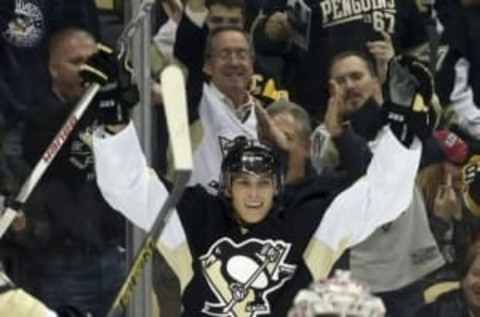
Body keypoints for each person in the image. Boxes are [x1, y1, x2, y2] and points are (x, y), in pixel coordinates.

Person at [82, 43, 430, 315]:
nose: (253, 194)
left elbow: (384, 199)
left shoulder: (310, 218)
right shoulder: (196, 218)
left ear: (277, 186)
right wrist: (115, 125)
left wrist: (400, 131)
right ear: (226, 185)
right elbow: (128, 189)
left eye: (263, 184)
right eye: (243, 183)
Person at [9, 28, 129, 316]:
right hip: (59, 266)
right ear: (52, 69)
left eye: (93, 61)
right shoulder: (32, 121)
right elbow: (44, 149)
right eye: (77, 62)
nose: (88, 70)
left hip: (114, 257)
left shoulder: (110, 111)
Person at [253, 0, 429, 119]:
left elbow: (420, 59)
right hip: (318, 116)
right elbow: (260, 42)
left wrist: (398, 68)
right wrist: (270, 32)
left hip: (387, 114)